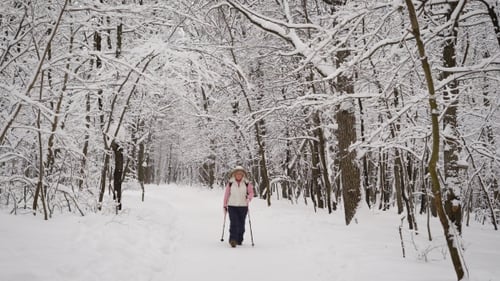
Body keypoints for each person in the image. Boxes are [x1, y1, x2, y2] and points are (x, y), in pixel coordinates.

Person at [223, 165, 254, 248]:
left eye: (240, 174)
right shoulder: (230, 183)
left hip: (243, 206)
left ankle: (239, 239)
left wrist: (249, 198)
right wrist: (225, 205)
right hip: (232, 205)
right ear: (234, 174)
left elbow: (251, 193)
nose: (239, 175)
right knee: (234, 223)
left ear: (243, 175)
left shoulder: (247, 183)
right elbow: (226, 195)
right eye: (237, 174)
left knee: (241, 223)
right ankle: (233, 240)